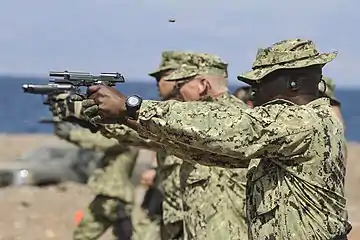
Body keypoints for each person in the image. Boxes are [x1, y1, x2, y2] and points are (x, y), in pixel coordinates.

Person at [80, 38, 351, 239]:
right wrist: (128, 119)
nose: (252, 93)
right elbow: (214, 153)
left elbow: (228, 127)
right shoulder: (300, 123)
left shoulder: (300, 121)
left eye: (259, 84)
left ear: (293, 84)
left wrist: (133, 106)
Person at [52, 120, 138, 240]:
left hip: (113, 197)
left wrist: (72, 134)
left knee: (83, 235)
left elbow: (100, 141)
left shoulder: (125, 139)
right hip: (113, 197)